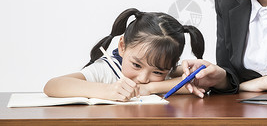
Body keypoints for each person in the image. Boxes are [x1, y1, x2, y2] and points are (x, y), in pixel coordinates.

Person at [44, 8, 205, 101]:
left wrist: (150, 88)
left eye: (157, 72)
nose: (143, 78)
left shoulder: (164, 70)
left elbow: (200, 82)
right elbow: (52, 86)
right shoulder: (106, 69)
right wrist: (108, 91)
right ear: (122, 46)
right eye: (136, 65)